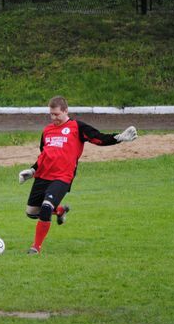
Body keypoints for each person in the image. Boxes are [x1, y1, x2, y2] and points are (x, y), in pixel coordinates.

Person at [18, 96, 137, 255]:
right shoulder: (47, 131)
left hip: (62, 177)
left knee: (46, 207)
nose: (53, 118)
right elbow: (44, 156)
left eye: (56, 114)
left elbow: (98, 138)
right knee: (31, 212)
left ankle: (35, 248)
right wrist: (32, 171)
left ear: (65, 111)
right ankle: (60, 210)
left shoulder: (77, 127)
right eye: (51, 114)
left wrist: (118, 138)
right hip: (43, 176)